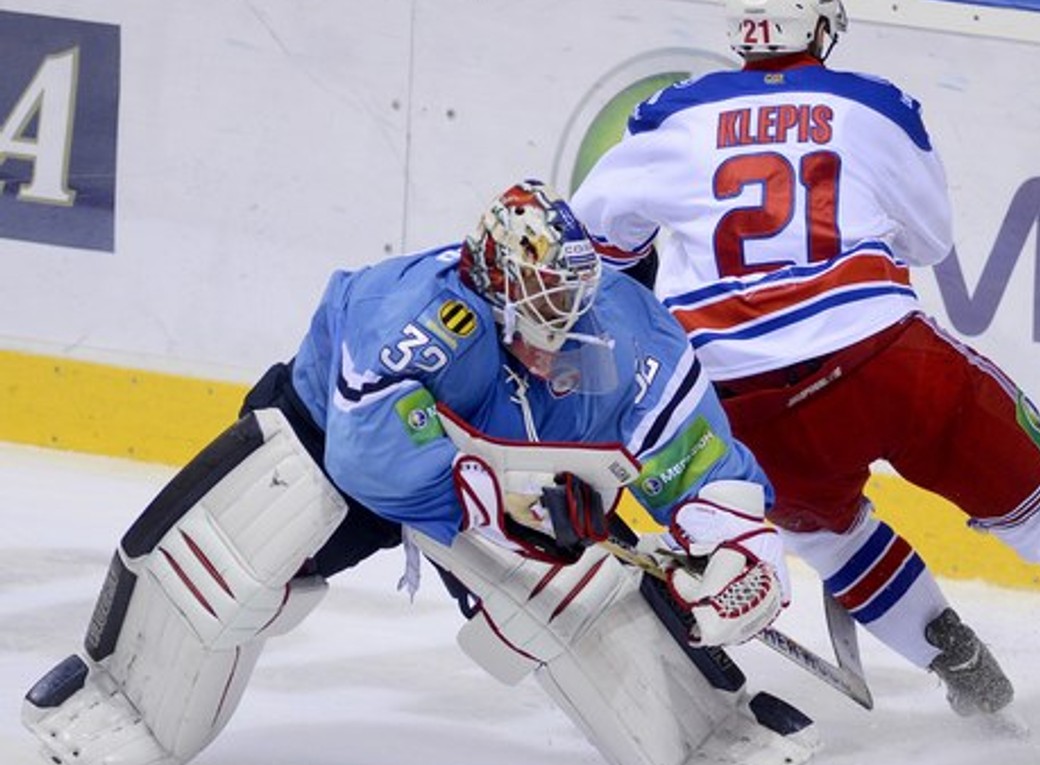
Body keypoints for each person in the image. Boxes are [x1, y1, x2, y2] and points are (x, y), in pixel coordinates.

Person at [570, 0, 1040, 728]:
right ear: (818, 25)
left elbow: (597, 246)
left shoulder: (666, 116)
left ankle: (960, 666)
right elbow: (931, 242)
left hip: (743, 399)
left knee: (829, 533)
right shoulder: (874, 103)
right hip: (885, 362)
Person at [20, 180, 819, 765]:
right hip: (335, 449)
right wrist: (509, 507)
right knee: (241, 542)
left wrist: (735, 540)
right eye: (543, 310)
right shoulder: (416, 310)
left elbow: (693, 450)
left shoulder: (624, 328)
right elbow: (368, 456)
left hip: (517, 485)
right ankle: (124, 696)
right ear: (492, 284)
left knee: (580, 594)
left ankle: (706, 734)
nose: (561, 331)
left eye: (573, 303)